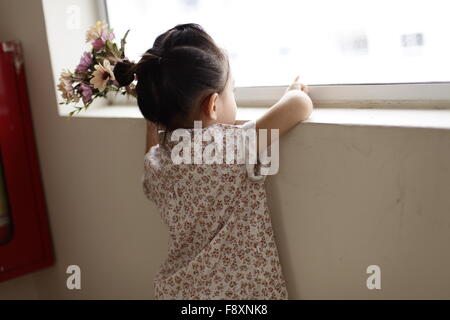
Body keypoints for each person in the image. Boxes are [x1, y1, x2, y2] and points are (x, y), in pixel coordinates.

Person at [113, 23, 313, 299]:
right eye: (232, 90)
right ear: (213, 105)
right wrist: (293, 90)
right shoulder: (228, 148)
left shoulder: (158, 164)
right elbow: (299, 106)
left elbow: (151, 154)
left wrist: (155, 119)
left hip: (179, 293)